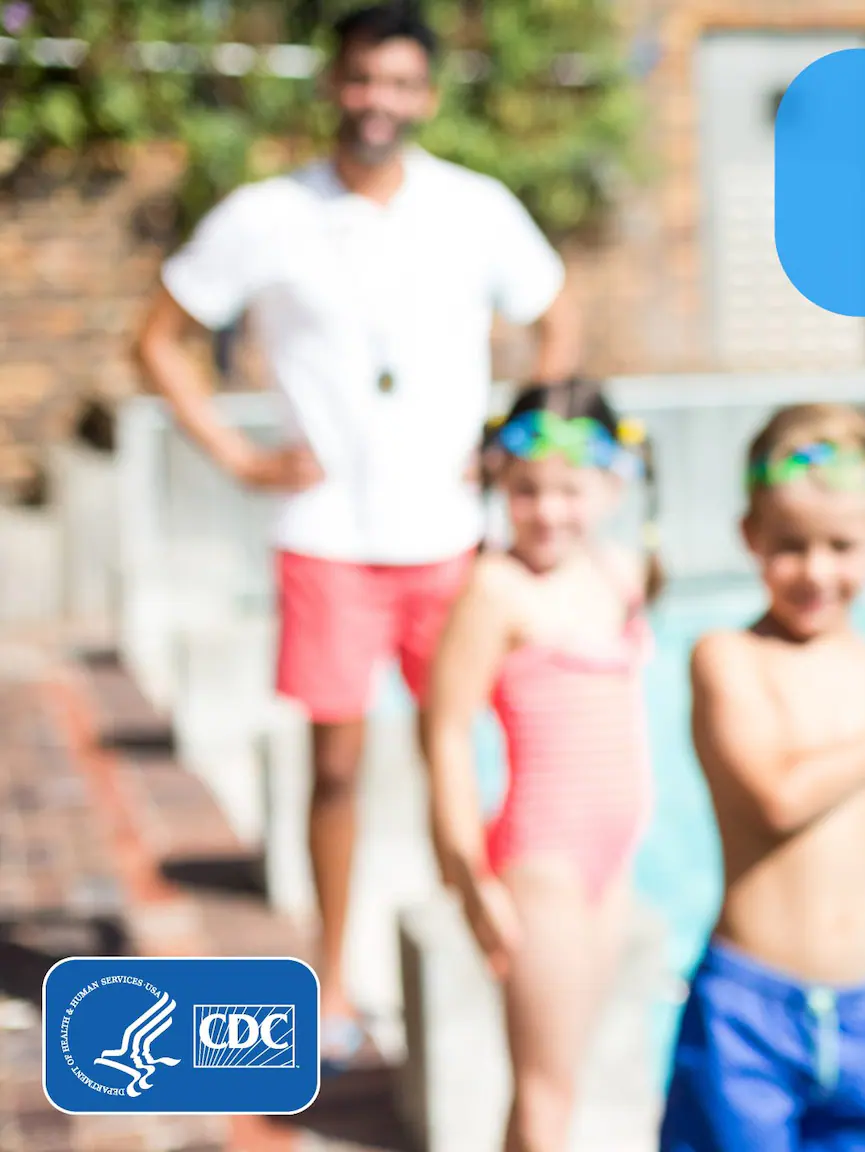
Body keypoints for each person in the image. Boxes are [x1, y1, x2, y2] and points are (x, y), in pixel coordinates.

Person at [129, 1, 578, 1067]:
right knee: (336, 770)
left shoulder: (474, 208)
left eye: (400, 83)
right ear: (333, 85)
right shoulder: (265, 215)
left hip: (448, 537)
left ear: (426, 96)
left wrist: (516, 438)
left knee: (457, 759)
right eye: (361, 80)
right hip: (327, 536)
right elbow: (159, 341)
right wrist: (238, 458)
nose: (379, 101)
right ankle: (331, 980)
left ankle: (474, 962)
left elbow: (559, 315)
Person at [660, 404, 865, 1152]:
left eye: (841, 545)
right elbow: (777, 797)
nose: (816, 571)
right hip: (745, 1012)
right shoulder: (727, 658)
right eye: (790, 546)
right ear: (749, 537)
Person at [423, 378, 660, 1152]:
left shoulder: (619, 573)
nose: (549, 510)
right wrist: (470, 876)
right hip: (543, 862)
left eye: (570, 489)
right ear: (498, 483)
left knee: (572, 1074)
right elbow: (446, 731)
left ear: (612, 485)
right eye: (527, 491)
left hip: (612, 861)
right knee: (544, 1092)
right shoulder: (495, 588)